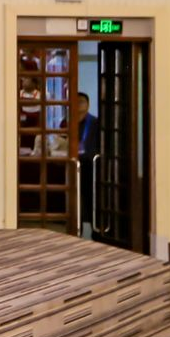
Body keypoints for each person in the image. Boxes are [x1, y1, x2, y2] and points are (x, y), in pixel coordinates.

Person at [73, 92, 100, 234]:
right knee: (75, 198)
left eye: (81, 102)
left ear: (88, 105)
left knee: (89, 197)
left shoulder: (95, 122)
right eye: (76, 101)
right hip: (74, 165)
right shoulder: (67, 122)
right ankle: (77, 226)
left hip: (90, 165)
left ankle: (93, 227)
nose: (78, 104)